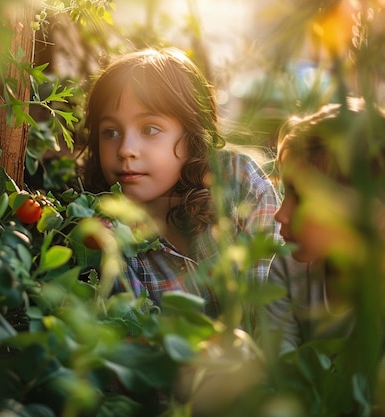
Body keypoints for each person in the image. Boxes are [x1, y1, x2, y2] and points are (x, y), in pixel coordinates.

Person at [81, 47, 281, 320]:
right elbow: (139, 338)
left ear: (192, 133)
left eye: (150, 129)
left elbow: (273, 305)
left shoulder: (239, 182)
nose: (125, 149)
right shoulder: (106, 234)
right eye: (111, 132)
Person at [261, 99, 385, 354]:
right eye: (285, 192)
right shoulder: (286, 270)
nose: (280, 214)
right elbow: (282, 372)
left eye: (303, 198)